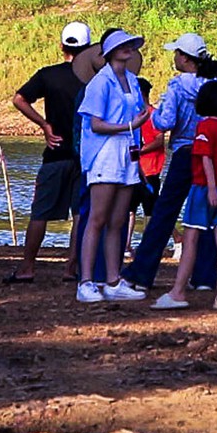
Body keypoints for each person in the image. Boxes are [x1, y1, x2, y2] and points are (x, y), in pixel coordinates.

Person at [125, 33, 213, 290]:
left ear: (185, 58)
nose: (174, 57)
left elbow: (165, 123)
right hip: (209, 152)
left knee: (165, 211)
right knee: (204, 211)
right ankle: (205, 276)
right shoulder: (212, 83)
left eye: (176, 53)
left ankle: (142, 272)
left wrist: (155, 114)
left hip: (185, 150)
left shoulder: (177, 86)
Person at [8, 22, 93, 283]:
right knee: (80, 213)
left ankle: (27, 267)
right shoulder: (93, 78)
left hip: (56, 150)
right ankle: (71, 268)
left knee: (40, 212)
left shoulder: (48, 74)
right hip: (86, 153)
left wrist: (44, 125)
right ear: (88, 49)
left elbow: (19, 98)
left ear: (62, 47)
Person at [76, 29, 151, 303]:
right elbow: (96, 124)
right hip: (105, 153)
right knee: (97, 217)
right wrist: (130, 125)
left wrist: (135, 135)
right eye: (122, 45)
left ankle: (112, 279)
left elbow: (138, 117)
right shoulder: (100, 82)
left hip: (127, 152)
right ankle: (85, 281)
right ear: (109, 51)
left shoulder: (131, 80)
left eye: (130, 45)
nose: (128, 48)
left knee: (118, 220)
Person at [154, 79, 217, 310]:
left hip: (204, 188)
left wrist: (211, 187)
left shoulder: (204, 127)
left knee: (191, 237)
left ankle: (178, 291)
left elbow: (205, 157)